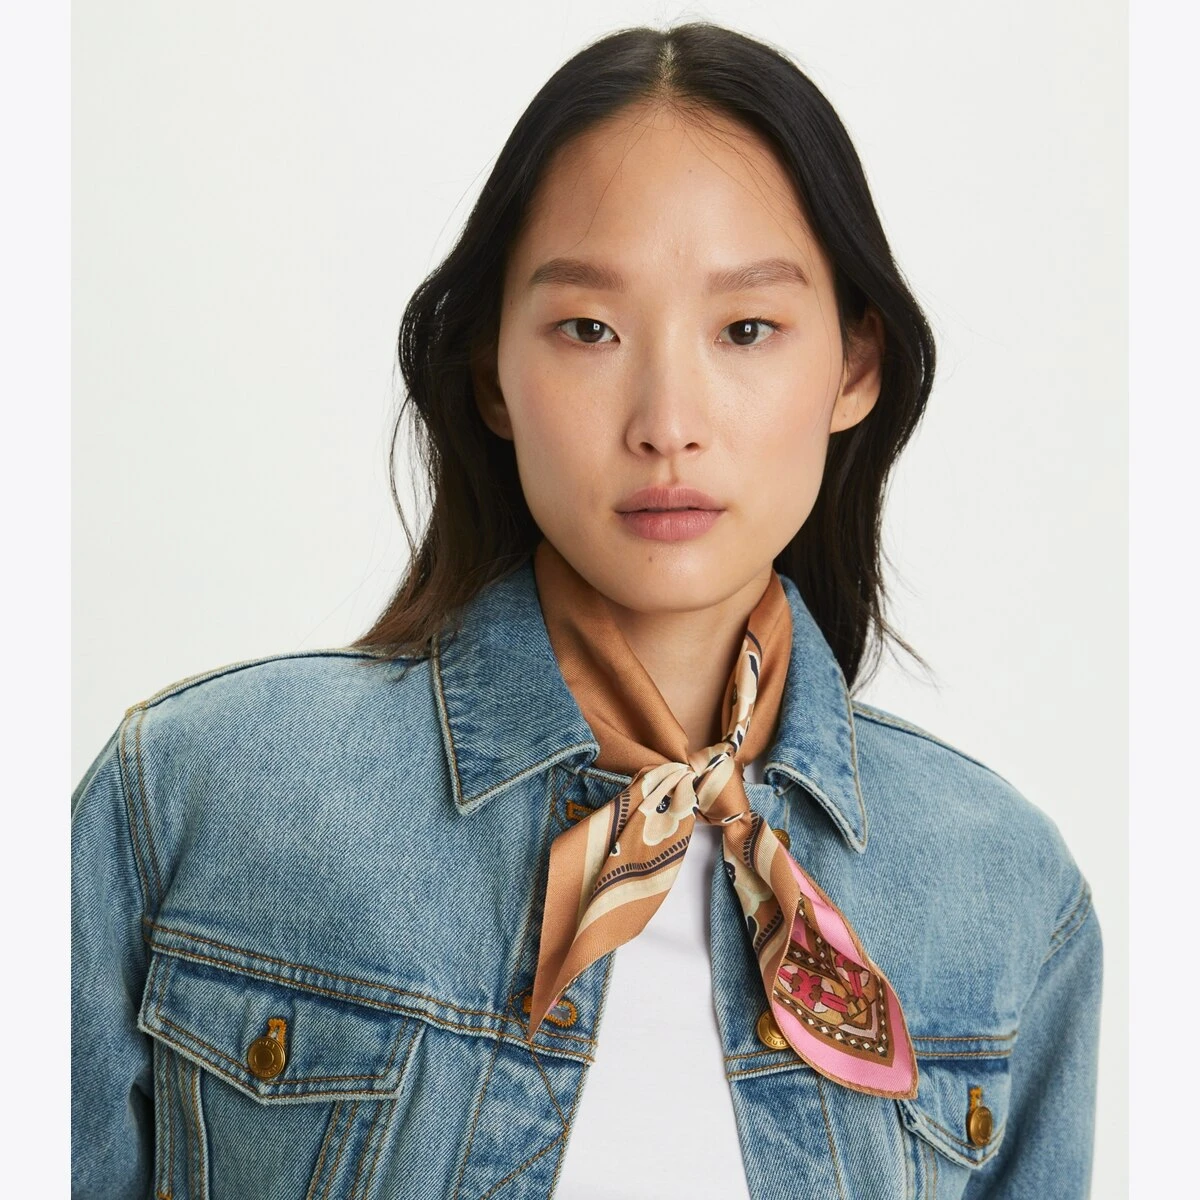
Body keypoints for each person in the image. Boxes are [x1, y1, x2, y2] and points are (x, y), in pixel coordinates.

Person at [71, 21, 1102, 1200]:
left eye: (746, 330)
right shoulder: (199, 797)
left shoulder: (1005, 895)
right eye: (589, 329)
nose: (668, 422)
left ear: (854, 367)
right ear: (492, 377)